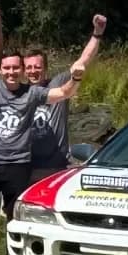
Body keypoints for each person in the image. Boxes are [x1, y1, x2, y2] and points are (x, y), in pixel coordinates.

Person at [0, 6, 87, 255]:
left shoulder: (32, 93)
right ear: (1, 69)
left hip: (18, 164)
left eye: (15, 67)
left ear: (21, 70)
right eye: (6, 67)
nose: (11, 72)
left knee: (14, 218)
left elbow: (64, 93)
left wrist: (76, 76)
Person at [23, 14, 108, 174]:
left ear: (45, 68)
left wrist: (97, 33)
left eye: (37, 67)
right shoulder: (20, 92)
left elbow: (84, 60)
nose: (33, 71)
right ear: (24, 70)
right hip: (28, 166)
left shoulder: (58, 83)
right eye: (29, 67)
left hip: (57, 165)